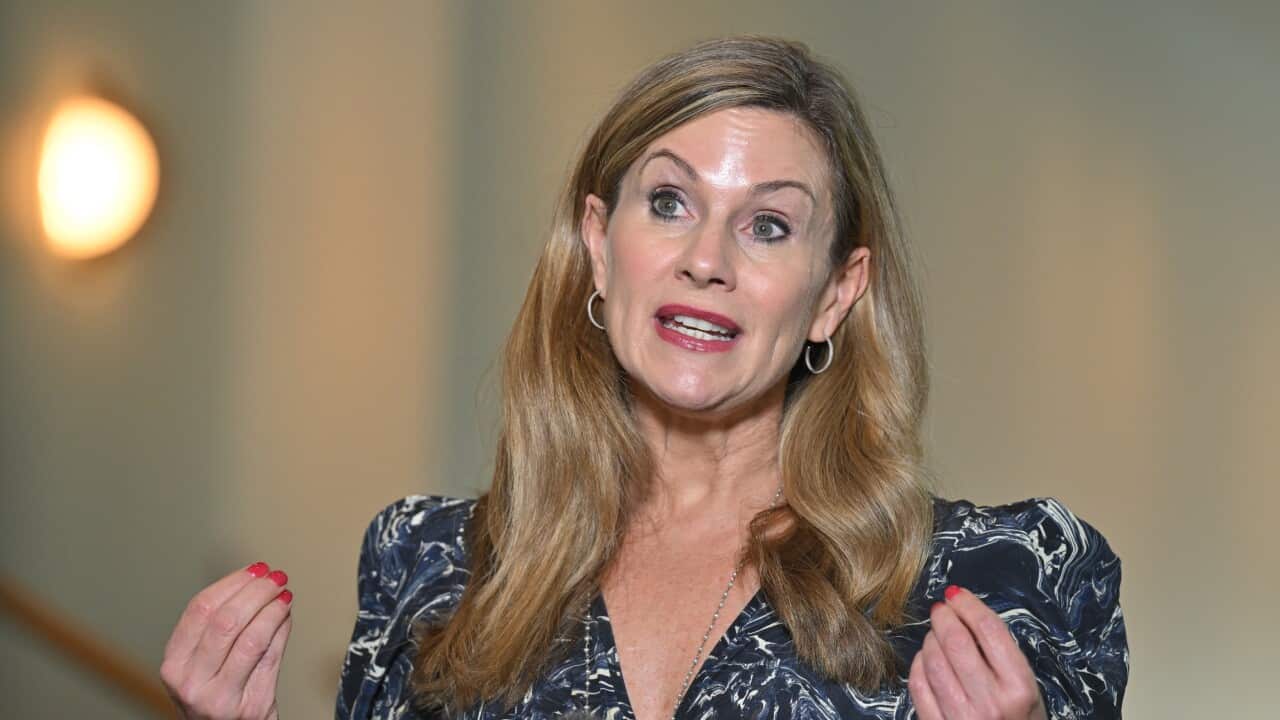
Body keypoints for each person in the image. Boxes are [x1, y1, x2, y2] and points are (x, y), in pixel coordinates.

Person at [160, 35, 1128, 720]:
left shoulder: (1002, 578)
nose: (705, 257)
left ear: (836, 294)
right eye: (667, 201)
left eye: (768, 224)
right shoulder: (434, 570)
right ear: (595, 242)